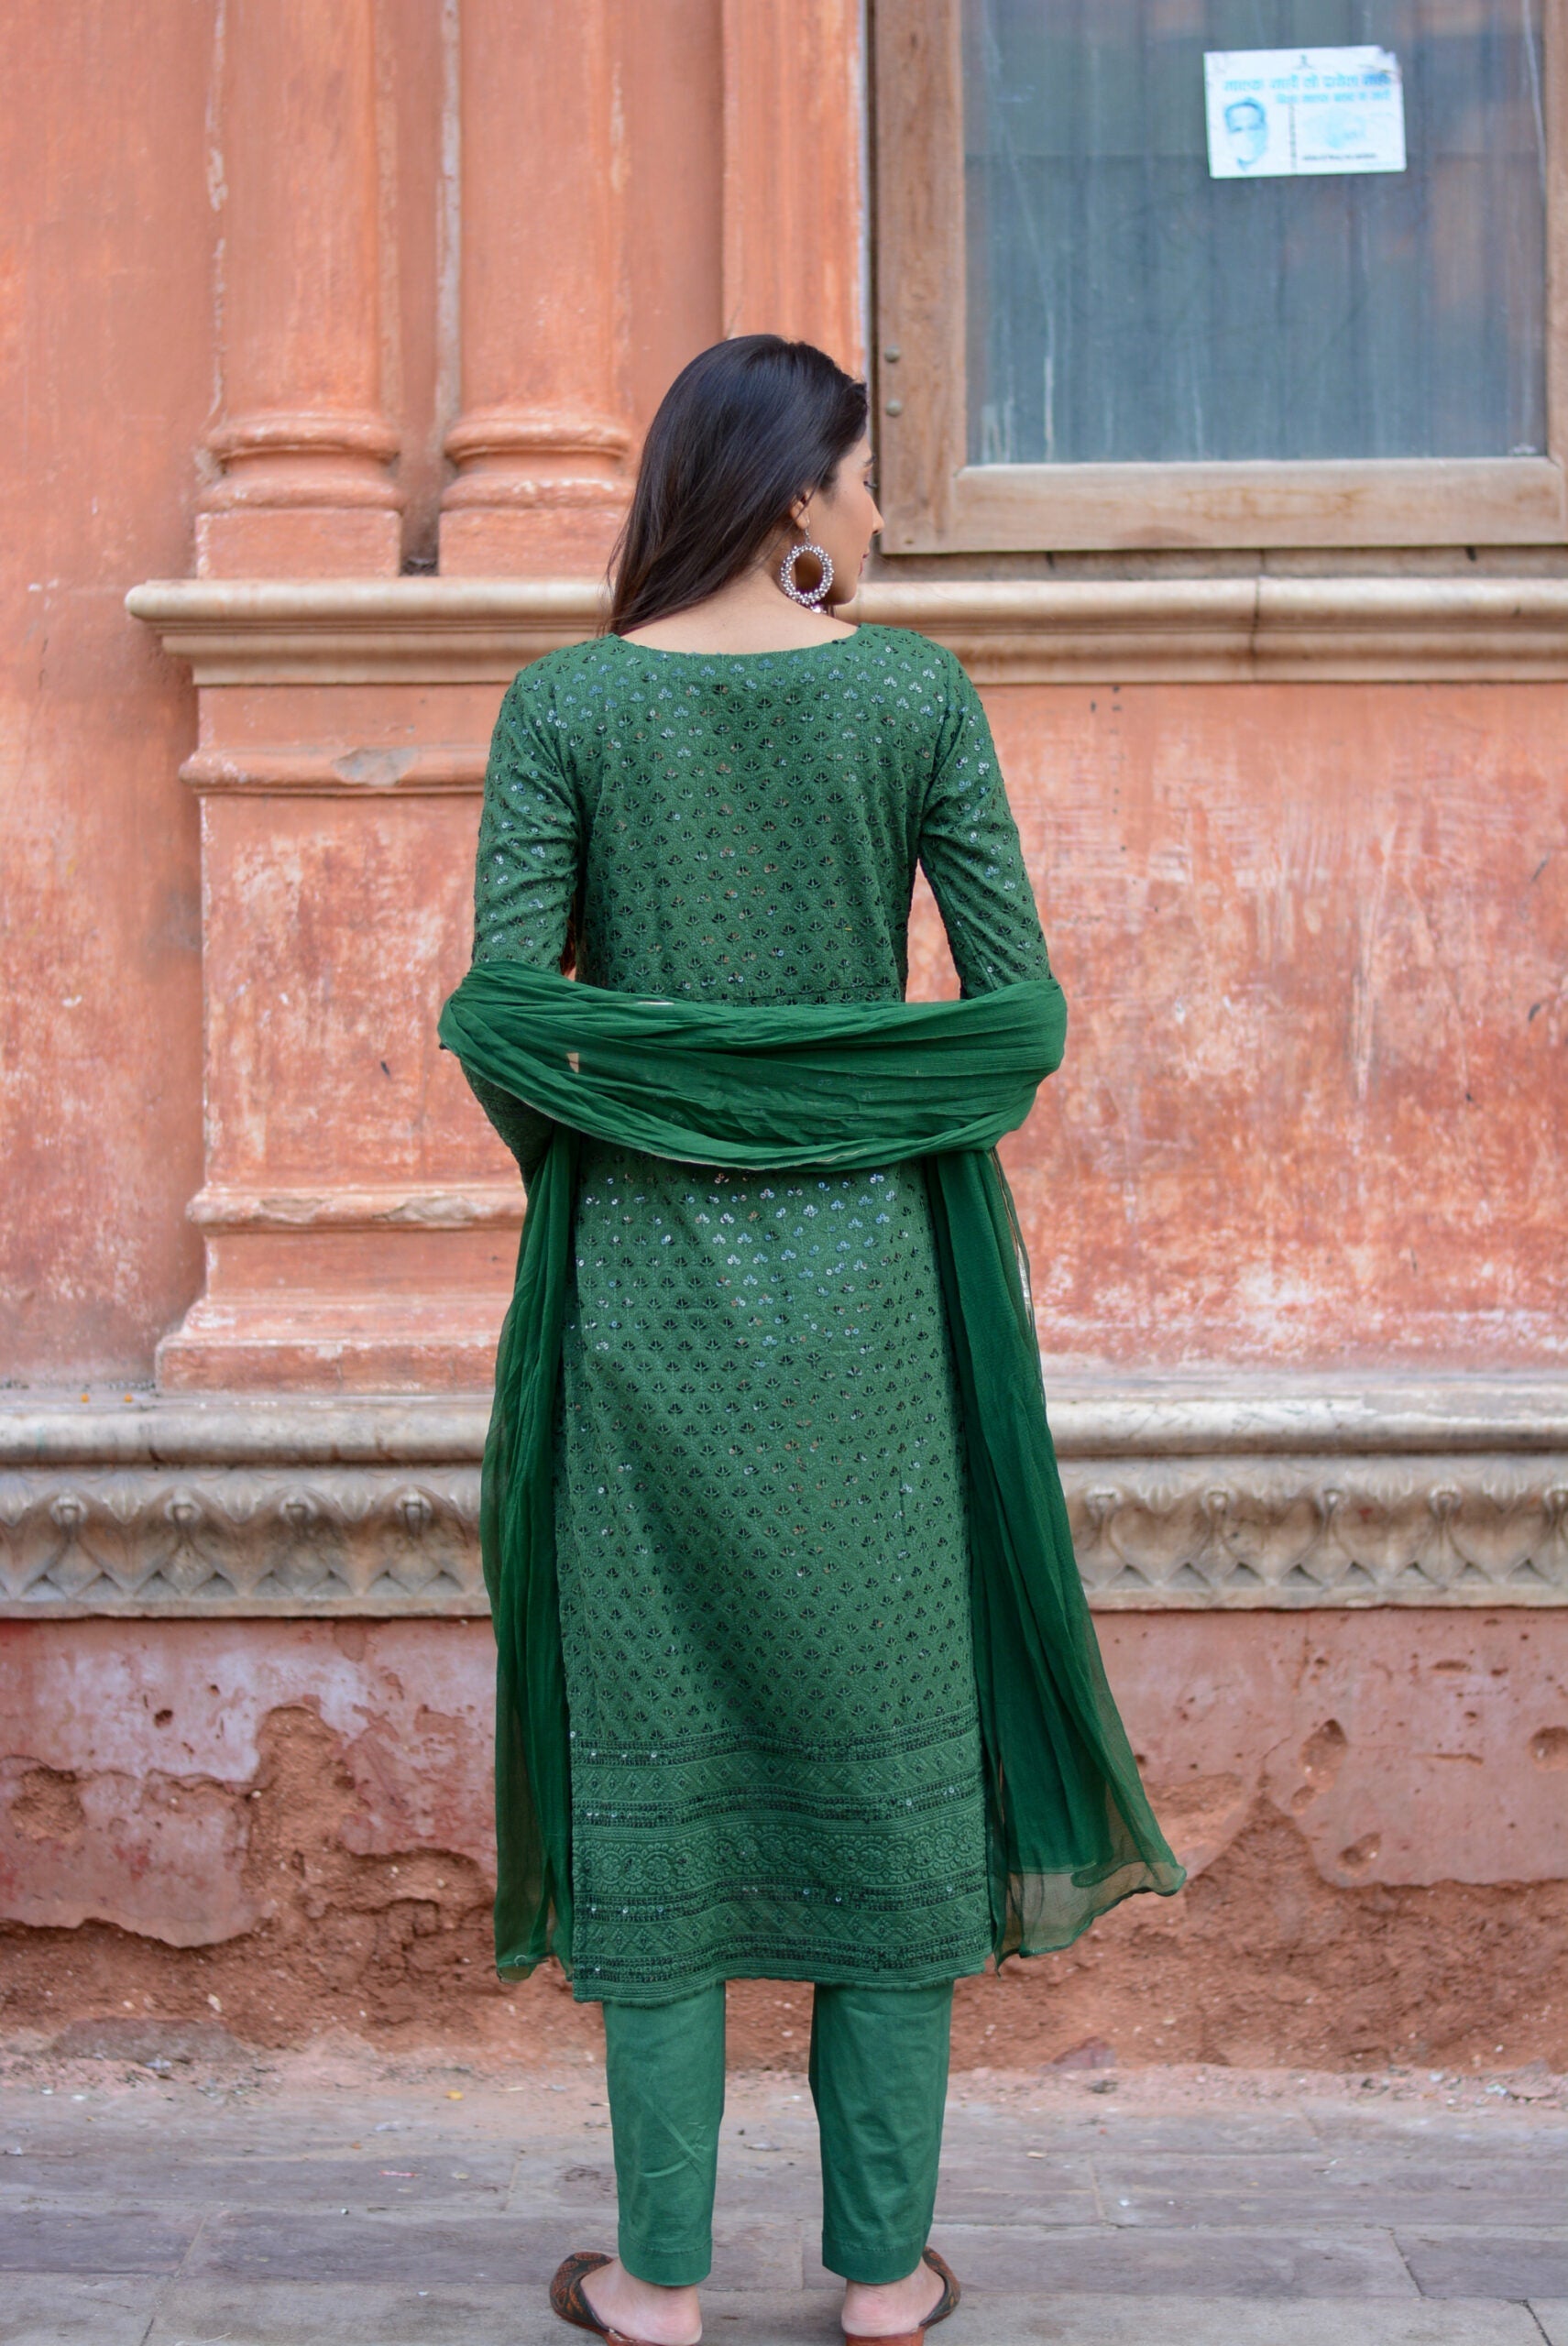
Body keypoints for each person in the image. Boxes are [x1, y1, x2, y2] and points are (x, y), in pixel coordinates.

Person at [451, 334, 1180, 2346]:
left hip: (641, 1304)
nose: (873, 513)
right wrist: (840, 1100)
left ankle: (656, 2279)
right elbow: (1015, 1022)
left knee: (657, 1788)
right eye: (859, 479)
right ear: (793, 494)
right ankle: (881, 2275)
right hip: (873, 1313)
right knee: (888, 1780)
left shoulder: (565, 704)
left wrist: (654, 1124)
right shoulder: (912, 694)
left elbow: (508, 1021)